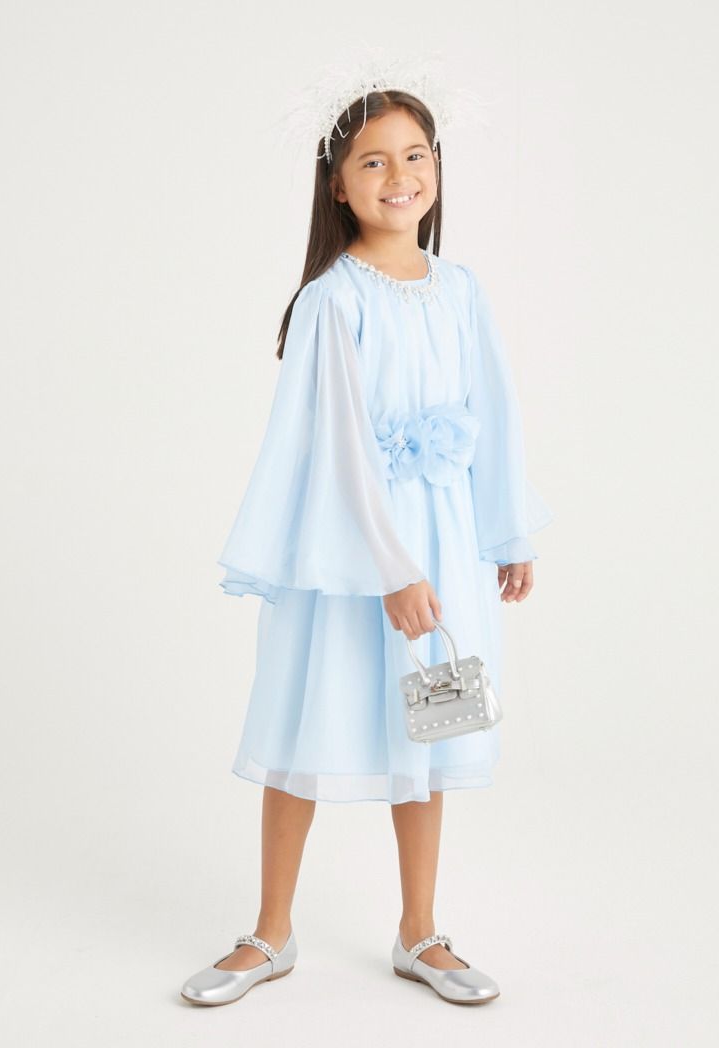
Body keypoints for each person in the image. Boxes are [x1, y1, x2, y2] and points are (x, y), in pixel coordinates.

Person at [181, 86, 552, 1008]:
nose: (399, 175)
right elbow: (340, 447)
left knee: (431, 719)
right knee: (304, 719)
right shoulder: (330, 299)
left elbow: (494, 411)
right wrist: (390, 566)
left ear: (437, 167)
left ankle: (419, 930)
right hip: (350, 551)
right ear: (338, 184)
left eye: (415, 154)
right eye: (374, 160)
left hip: (446, 539)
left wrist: (506, 528)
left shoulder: (461, 290)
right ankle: (270, 932)